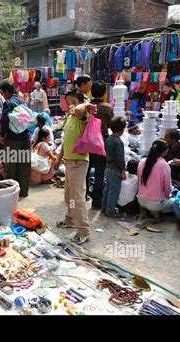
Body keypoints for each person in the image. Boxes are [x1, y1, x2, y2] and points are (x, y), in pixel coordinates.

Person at [54, 89, 96, 245]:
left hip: (79, 162)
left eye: (74, 102)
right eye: (68, 102)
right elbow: (65, 141)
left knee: (77, 198)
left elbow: (79, 109)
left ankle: (83, 230)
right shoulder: (69, 118)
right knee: (68, 195)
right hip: (69, 161)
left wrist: (85, 103)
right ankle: (70, 219)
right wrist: (58, 159)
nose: (71, 105)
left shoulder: (82, 115)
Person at [0, 81, 31, 198]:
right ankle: (23, 192)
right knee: (24, 164)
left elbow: (5, 120)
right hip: (26, 137)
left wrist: (2, 135)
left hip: (13, 138)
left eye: (3, 93)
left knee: (11, 165)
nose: (2, 95)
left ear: (7, 91)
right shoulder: (22, 101)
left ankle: (12, 193)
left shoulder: (8, 103)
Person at [88, 80, 114, 210]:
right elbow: (110, 125)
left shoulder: (86, 106)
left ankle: (82, 196)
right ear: (104, 92)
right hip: (101, 142)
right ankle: (96, 201)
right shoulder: (107, 107)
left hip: (87, 141)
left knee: (86, 170)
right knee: (99, 172)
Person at [137, 139, 174, 222]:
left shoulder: (142, 161)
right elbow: (167, 189)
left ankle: (144, 212)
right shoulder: (164, 165)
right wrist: (168, 196)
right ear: (164, 152)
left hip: (140, 200)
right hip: (154, 204)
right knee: (176, 202)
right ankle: (156, 214)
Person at [102, 117, 127, 218]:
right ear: (122, 130)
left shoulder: (108, 139)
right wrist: (123, 170)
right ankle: (110, 210)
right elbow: (120, 158)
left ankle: (104, 208)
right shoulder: (118, 142)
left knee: (107, 189)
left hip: (108, 167)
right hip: (115, 169)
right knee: (114, 191)